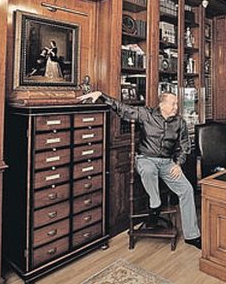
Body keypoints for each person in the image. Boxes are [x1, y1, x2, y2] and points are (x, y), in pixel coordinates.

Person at [77, 90, 202, 249]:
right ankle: (155, 204)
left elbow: (185, 147)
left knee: (187, 189)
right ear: (162, 104)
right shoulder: (146, 114)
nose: (176, 107)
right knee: (149, 170)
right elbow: (123, 108)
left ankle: (192, 235)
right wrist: (101, 95)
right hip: (146, 158)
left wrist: (178, 164)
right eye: (173, 103)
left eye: (176, 103)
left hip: (167, 162)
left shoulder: (180, 123)